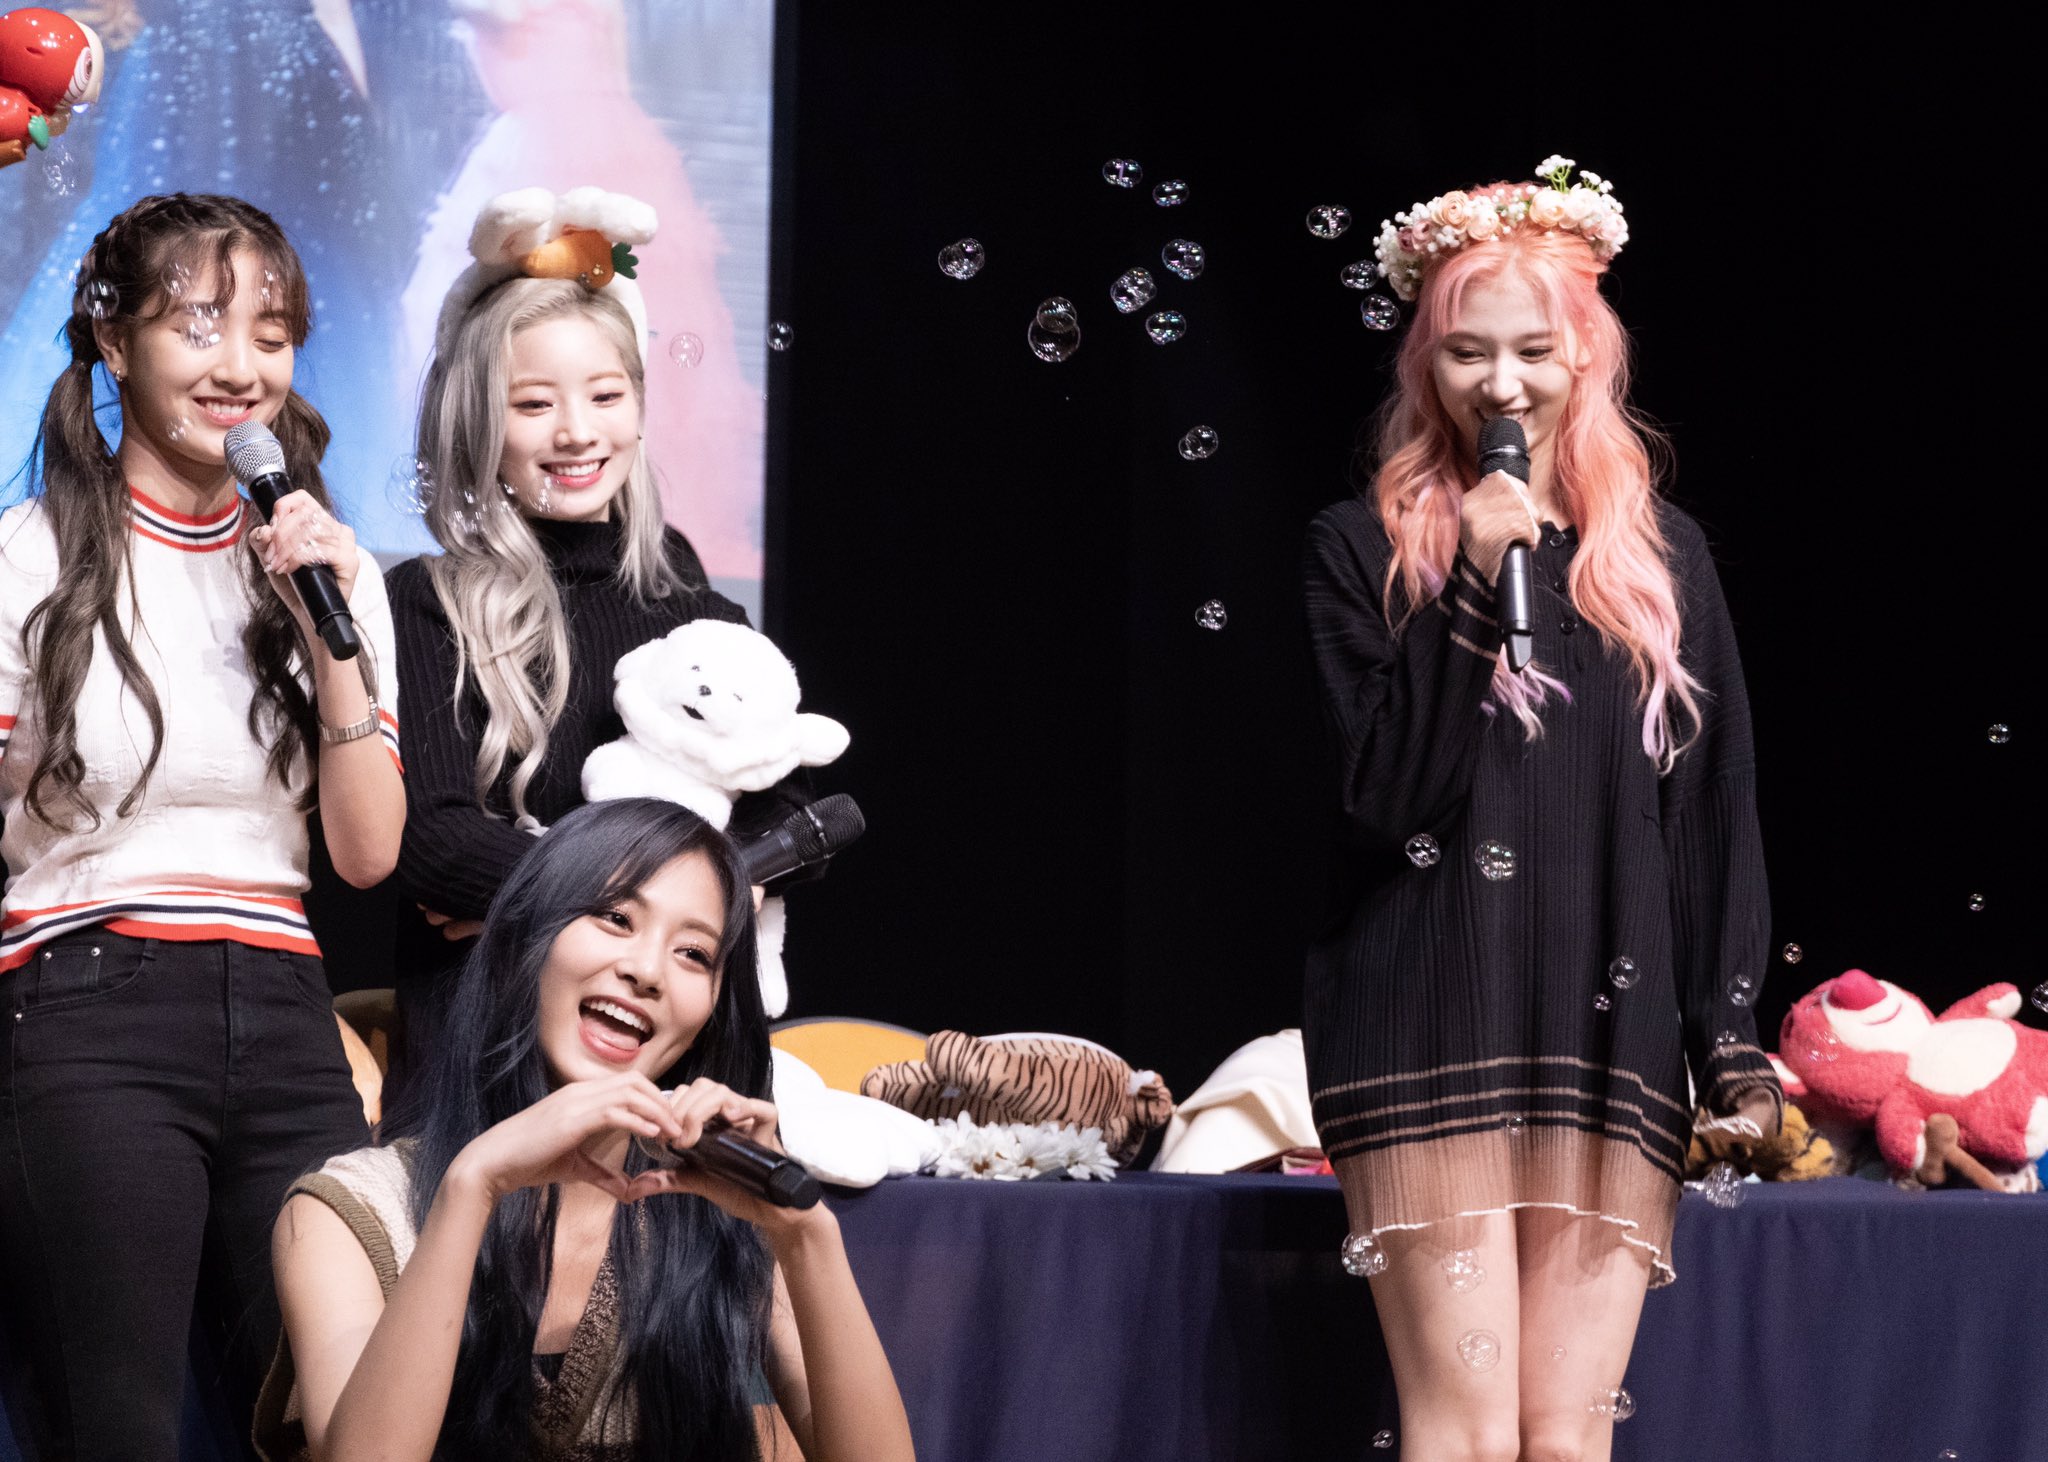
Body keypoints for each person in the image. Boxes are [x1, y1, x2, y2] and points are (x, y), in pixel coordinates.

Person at [1300, 158, 1782, 1462]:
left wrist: (1728, 1036)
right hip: (1425, 1015)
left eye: (1533, 351)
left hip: (1607, 1026)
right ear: (1424, 365)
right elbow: (1381, 796)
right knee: (1463, 1430)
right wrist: (1470, 579)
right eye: (1467, 353)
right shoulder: (1356, 548)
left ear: (1588, 355)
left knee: (1567, 1437)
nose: (1501, 385)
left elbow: (1709, 813)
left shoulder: (1661, 559)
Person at [0, 192, 403, 1460]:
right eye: (197, 326)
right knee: (115, 1425)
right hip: (87, 1002)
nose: (241, 367)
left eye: (271, 336)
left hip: (285, 1010)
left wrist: (331, 637)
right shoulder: (27, 558)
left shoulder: (336, 572)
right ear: (113, 343)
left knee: (346, 1420)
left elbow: (367, 854)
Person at [262, 796, 915, 1461]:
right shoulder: (348, 1210)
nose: (647, 970)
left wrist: (806, 1234)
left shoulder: (717, 1214)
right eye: (615, 918)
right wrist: (472, 1187)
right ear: (520, 939)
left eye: (693, 953)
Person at [385, 188, 815, 1098]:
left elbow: (793, 820)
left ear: (640, 406)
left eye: (606, 395)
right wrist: (687, 900)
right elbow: (430, 843)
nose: (577, 432)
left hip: (676, 1072)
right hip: (487, 1061)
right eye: (533, 404)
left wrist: (550, 898)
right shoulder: (429, 603)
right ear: (478, 423)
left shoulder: (694, 609)